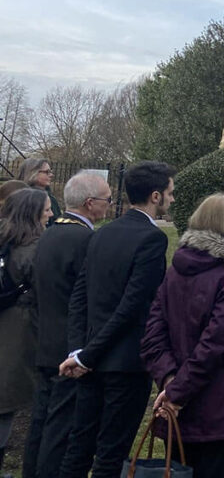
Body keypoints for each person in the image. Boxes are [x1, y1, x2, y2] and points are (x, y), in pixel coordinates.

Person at [58, 161, 175, 478]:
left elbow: (79, 297)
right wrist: (86, 354)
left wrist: (78, 351)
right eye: (169, 192)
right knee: (111, 454)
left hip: (90, 359)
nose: (172, 199)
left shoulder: (102, 233)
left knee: (79, 447)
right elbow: (134, 305)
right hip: (125, 362)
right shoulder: (152, 239)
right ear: (155, 196)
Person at [141, 194, 224, 478]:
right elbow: (217, 343)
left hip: (179, 394)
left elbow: (154, 331)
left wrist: (171, 383)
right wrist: (175, 389)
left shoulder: (175, 268)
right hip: (216, 400)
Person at [23, 172, 107, 478]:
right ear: (90, 203)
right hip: (69, 347)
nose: (109, 206)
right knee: (60, 430)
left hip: (46, 338)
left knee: (41, 423)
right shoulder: (85, 239)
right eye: (106, 200)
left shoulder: (51, 232)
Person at [0, 188, 49, 477]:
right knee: (5, 405)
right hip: (17, 334)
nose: (51, 214)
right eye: (45, 210)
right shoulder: (35, 250)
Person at [17, 158, 62, 224]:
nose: (51, 175)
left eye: (51, 172)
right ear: (33, 173)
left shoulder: (51, 198)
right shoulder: (24, 199)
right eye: (47, 172)